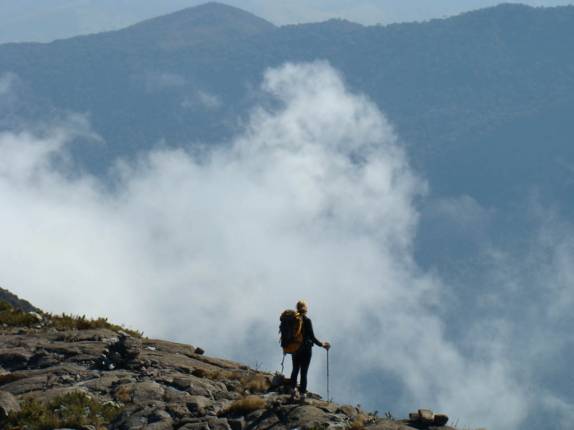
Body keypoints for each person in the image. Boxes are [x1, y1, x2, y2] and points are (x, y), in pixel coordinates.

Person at [290, 300, 330, 401]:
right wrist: (322, 345)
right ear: (305, 309)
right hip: (306, 349)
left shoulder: (292, 320)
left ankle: (292, 391)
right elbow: (312, 337)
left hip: (295, 349)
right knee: (304, 372)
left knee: (295, 370)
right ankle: (302, 395)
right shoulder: (307, 320)